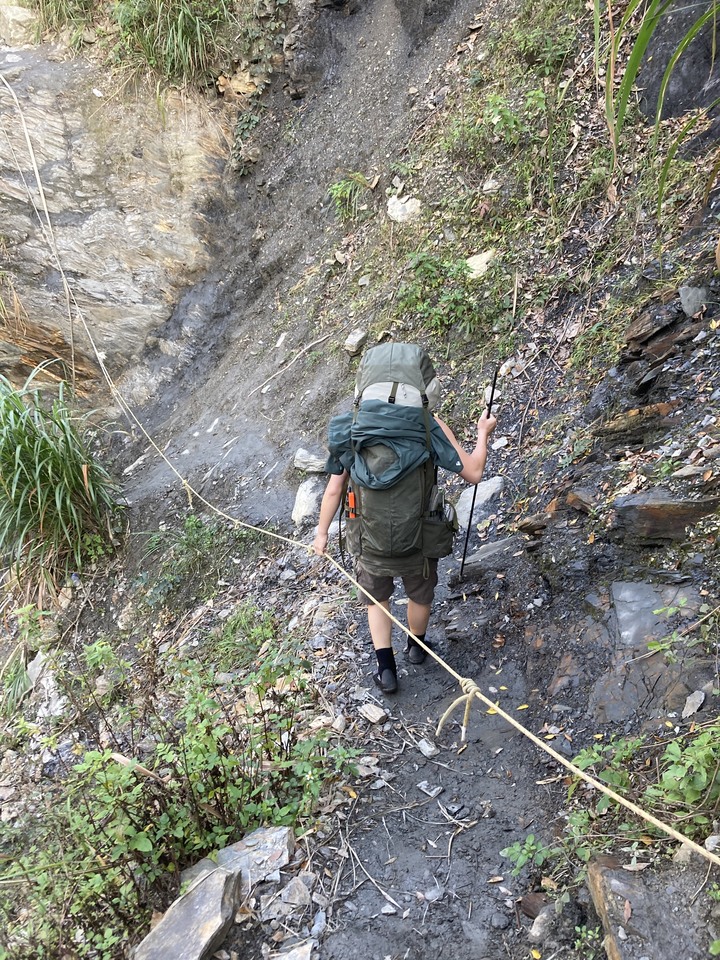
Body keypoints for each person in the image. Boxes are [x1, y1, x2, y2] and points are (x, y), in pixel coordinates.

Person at [313, 363, 497, 694]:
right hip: (419, 538)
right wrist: (483, 433)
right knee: (420, 593)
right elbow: (473, 473)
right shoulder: (429, 426)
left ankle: (386, 671)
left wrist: (322, 533)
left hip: (369, 541)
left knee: (376, 598)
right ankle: (416, 648)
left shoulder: (351, 429)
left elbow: (333, 490)